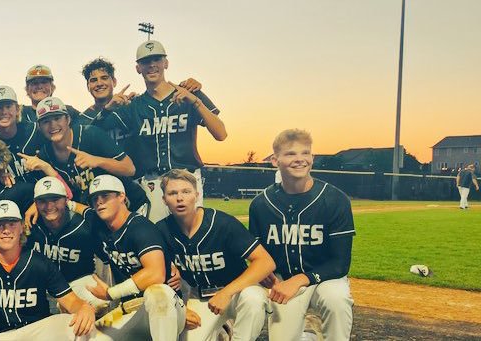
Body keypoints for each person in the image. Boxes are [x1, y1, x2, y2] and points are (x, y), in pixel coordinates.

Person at [249, 129, 355, 340]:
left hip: (326, 278)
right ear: (274, 160)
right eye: (290, 154)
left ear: (312, 158)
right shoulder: (261, 204)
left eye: (305, 153)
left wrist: (300, 279)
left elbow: (341, 263)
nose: (300, 159)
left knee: (337, 300)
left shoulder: (335, 199)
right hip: (283, 281)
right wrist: (262, 271)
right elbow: (256, 253)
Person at [108, 40, 227, 223]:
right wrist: (108, 108)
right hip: (152, 183)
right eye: (145, 61)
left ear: (166, 63)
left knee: (191, 234)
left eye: (157, 59)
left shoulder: (188, 94)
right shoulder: (134, 106)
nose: (152, 65)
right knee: (155, 235)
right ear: (138, 68)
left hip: (187, 178)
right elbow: (94, 130)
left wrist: (196, 102)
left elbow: (221, 134)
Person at [0, 200, 100, 340]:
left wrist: (84, 307)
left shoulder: (40, 263)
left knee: (73, 324)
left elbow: (70, 300)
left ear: (22, 227)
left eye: (12, 224)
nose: (6, 230)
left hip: (37, 334)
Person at [156, 169, 275, 341]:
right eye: (172, 193)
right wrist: (180, 307)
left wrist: (226, 292)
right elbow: (154, 270)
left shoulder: (222, 223)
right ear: (164, 199)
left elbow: (266, 262)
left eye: (186, 192)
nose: (180, 198)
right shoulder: (162, 230)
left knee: (254, 298)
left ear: (196, 195)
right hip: (201, 298)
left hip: (237, 293)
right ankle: (224, 331)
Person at [82, 174, 185, 340]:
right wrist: (69, 203)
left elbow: (155, 274)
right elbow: (80, 210)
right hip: (127, 309)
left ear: (121, 196)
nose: (99, 202)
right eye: (95, 198)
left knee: (158, 293)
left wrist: (110, 293)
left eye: (105, 196)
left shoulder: (141, 228)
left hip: (168, 307)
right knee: (91, 335)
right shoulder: (100, 228)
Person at [27, 175, 109, 311]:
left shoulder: (85, 226)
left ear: (66, 200)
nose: (49, 206)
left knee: (100, 303)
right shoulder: (30, 224)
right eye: (42, 201)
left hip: (77, 282)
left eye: (55, 199)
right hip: (42, 287)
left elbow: (107, 260)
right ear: (35, 204)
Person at [18, 65, 83, 123]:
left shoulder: (67, 111)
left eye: (44, 82)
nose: (39, 87)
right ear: (27, 89)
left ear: (52, 87)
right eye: (35, 83)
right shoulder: (20, 113)